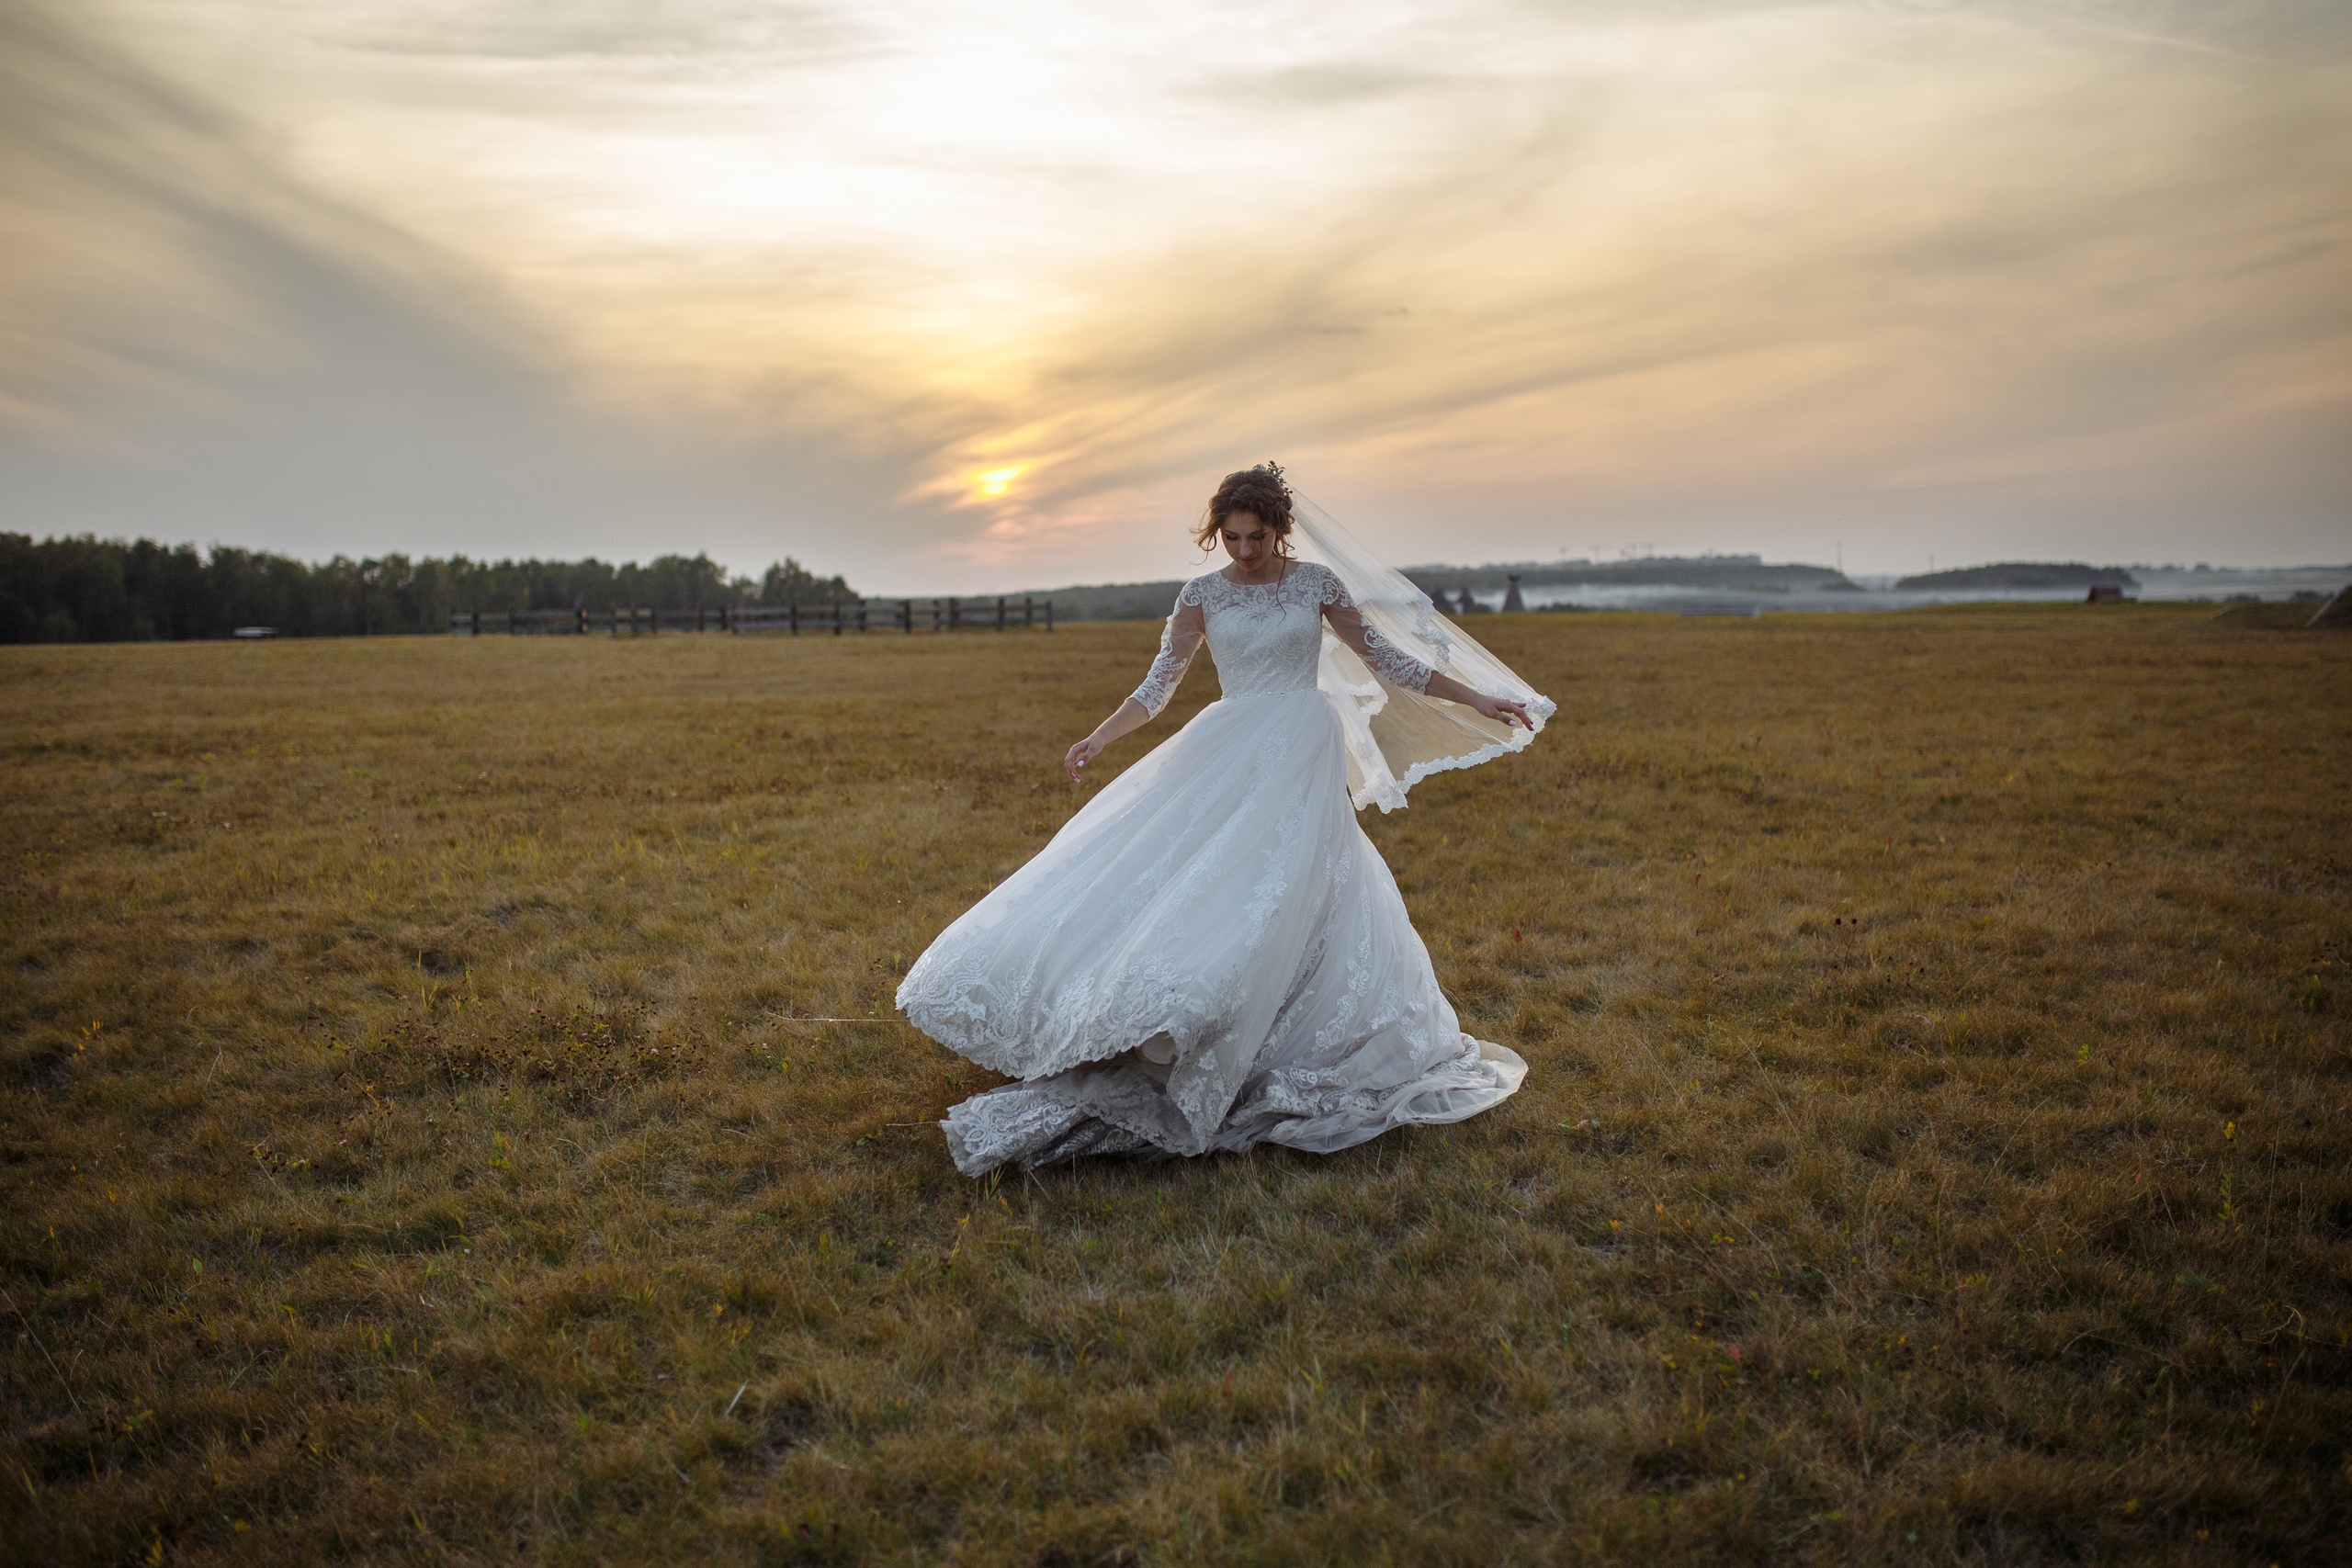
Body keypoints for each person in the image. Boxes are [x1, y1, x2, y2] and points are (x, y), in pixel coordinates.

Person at [898, 465, 1553, 1175]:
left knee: (1297, 884)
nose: (1244, 549)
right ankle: (1171, 1015)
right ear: (1219, 533)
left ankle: (1287, 1026)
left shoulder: (1316, 585)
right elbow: (1159, 685)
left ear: (1280, 529)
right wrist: (1099, 736)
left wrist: (1476, 699)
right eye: (1232, 537)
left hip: (1301, 748)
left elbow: (1388, 659)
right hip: (1228, 747)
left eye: (1257, 536)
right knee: (1204, 881)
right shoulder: (1201, 596)